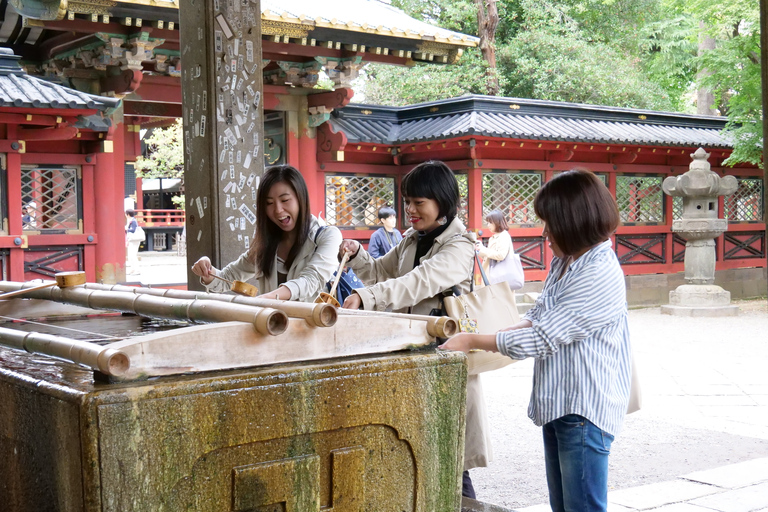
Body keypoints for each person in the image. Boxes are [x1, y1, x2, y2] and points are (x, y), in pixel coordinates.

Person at [439, 169, 632, 512]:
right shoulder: (568, 261)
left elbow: (542, 338)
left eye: (550, 223)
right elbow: (538, 315)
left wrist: (473, 341)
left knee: (582, 508)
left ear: (574, 221)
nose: (544, 233)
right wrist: (486, 334)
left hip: (583, 408)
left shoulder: (598, 272)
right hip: (561, 402)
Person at [338, 160, 487, 498]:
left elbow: (416, 283)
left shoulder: (459, 246)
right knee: (415, 453)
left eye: (420, 202)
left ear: (443, 203)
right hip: (411, 358)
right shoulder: (411, 239)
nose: (411, 209)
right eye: (408, 201)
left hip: (443, 361)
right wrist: (356, 251)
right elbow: (378, 272)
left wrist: (367, 297)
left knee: (450, 459)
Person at [191, 165, 342, 301]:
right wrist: (207, 272)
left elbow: (312, 279)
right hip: (271, 328)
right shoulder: (265, 241)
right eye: (269, 203)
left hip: (312, 328)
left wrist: (270, 297)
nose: (277, 210)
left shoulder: (328, 236)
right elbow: (228, 277)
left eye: (285, 200)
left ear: (300, 199)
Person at [476, 210, 512, 277]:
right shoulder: (493, 237)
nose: (488, 225)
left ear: (497, 222)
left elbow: (501, 255)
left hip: (499, 275)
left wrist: (483, 249)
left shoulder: (503, 236)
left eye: (490, 222)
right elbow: (488, 256)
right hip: (492, 273)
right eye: (487, 223)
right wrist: (479, 249)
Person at [125, 209, 142, 275]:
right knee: (130, 256)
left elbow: (133, 230)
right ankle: (132, 269)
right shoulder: (131, 220)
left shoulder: (133, 221)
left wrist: (126, 229)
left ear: (128, 214)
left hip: (134, 240)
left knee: (133, 255)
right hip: (131, 239)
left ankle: (137, 270)